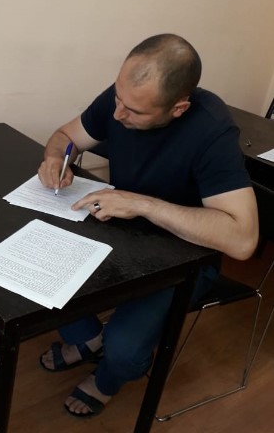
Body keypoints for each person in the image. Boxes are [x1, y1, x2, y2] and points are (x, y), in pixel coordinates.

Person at [37, 33, 259, 417]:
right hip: (123, 234)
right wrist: (57, 157)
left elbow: (243, 240)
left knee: (124, 349)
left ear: (178, 108)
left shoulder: (212, 130)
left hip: (183, 258)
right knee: (40, 270)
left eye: (135, 112)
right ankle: (90, 340)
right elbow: (66, 136)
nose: (118, 115)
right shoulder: (124, 98)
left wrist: (141, 204)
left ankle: (109, 377)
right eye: (118, 100)